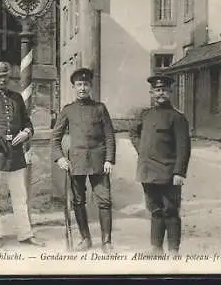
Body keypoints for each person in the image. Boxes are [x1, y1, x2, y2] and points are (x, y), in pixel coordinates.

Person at [0, 60, 45, 248]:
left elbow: (27, 123)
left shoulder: (17, 98)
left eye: (5, 76)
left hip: (15, 154)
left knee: (20, 196)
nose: (3, 79)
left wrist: (26, 133)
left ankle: (25, 233)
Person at [51, 68, 116, 253]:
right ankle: (85, 239)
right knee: (78, 202)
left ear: (90, 87)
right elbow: (55, 138)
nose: (82, 88)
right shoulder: (68, 110)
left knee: (105, 200)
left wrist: (109, 159)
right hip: (76, 162)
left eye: (86, 84)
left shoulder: (100, 108)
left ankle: (107, 242)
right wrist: (60, 158)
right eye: (79, 84)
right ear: (74, 87)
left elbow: (109, 136)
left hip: (99, 161)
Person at [130, 74, 191, 254]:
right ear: (151, 93)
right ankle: (156, 248)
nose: (161, 93)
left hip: (168, 172)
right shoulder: (145, 115)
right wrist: (142, 150)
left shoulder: (177, 117)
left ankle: (173, 250)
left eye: (164, 90)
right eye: (157, 90)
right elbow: (133, 133)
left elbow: (184, 147)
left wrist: (179, 172)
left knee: (170, 210)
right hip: (148, 171)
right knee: (155, 210)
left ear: (170, 92)